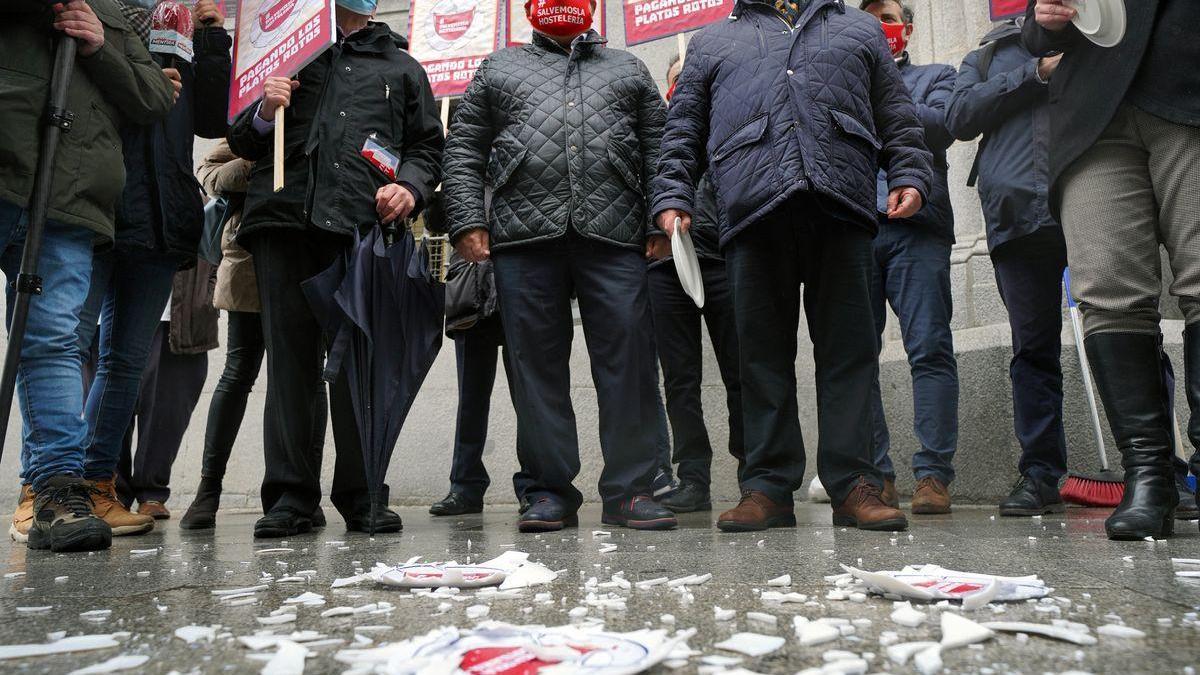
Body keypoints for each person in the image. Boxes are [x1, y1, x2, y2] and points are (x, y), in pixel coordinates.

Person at [653, 0, 932, 532]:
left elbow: (895, 111)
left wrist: (909, 173)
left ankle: (854, 483)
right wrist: (673, 194)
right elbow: (682, 127)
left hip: (842, 200)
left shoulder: (859, 29)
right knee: (758, 356)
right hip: (753, 207)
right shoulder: (713, 41)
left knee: (849, 352)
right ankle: (767, 487)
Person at [443, 0, 678, 532]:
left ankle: (632, 490)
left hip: (616, 236)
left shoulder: (628, 67)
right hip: (522, 239)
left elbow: (660, 149)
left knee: (630, 364)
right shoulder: (498, 67)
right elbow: (462, 150)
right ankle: (547, 490)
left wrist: (657, 221)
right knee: (535, 369)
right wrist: (465, 220)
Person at [227, 0, 444, 538]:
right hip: (284, 220)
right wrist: (261, 110)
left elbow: (427, 148)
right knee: (290, 368)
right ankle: (290, 499)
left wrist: (410, 187)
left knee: (359, 369)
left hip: (360, 230)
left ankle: (364, 494)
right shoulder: (283, 52)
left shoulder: (402, 66)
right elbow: (240, 137)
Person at [2, 0, 175, 552]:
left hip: (69, 187)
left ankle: (57, 489)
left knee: (53, 337)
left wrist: (101, 44)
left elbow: (154, 96)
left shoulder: (111, 13)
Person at [1024, 0, 1200, 539]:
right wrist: (1044, 19)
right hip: (1092, 112)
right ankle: (1148, 474)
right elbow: (1036, 33)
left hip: (1187, 81)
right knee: (1107, 290)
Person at [73, 0, 229, 538]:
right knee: (69, 351)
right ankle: (58, 485)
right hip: (96, 206)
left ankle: (98, 487)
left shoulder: (177, 25)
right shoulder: (97, 14)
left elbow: (213, 118)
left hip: (161, 215)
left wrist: (210, 37)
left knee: (124, 362)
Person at [179, 141, 332, 531]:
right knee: (239, 371)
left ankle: (303, 491)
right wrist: (256, 163)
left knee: (308, 379)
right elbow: (210, 174)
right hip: (249, 262)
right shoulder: (258, 116)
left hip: (307, 256)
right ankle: (208, 490)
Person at [860, 0, 959, 515]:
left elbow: (941, 125)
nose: (881, 26)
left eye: (889, 17)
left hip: (918, 230)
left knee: (930, 349)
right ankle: (877, 476)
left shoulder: (936, 76)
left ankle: (933, 476)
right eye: (870, 17)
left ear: (909, 29)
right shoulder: (845, 80)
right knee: (858, 358)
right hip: (856, 229)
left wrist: (877, 92)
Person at [647, 56, 744, 514]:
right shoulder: (655, 132)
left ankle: (755, 472)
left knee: (742, 373)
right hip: (667, 268)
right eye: (677, 80)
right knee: (680, 381)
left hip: (723, 260)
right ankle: (693, 477)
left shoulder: (728, 123)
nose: (685, 86)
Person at [116, 262, 219, 520]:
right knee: (107, 397)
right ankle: (108, 488)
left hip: (182, 299)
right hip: (110, 295)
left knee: (169, 403)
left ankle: (152, 489)